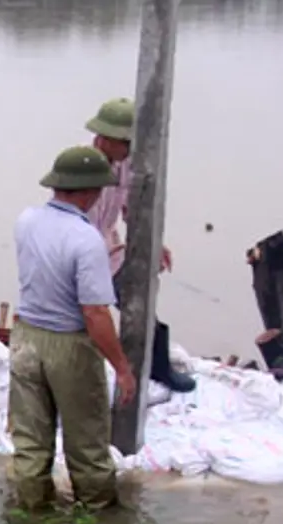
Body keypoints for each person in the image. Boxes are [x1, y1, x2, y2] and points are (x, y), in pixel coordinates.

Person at [11, 146, 139, 511]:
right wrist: (122, 368)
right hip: (68, 346)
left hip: (25, 339)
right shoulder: (86, 240)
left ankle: (31, 519)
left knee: (31, 442)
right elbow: (96, 313)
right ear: (88, 192)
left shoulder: (26, 220)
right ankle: (99, 523)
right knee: (87, 445)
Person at [82, 97, 197, 393]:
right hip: (81, 253)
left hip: (108, 247)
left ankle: (156, 368)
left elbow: (132, 208)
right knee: (85, 319)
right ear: (106, 139)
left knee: (139, 305)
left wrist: (153, 243)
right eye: (125, 143)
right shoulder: (82, 166)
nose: (130, 149)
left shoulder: (127, 164)